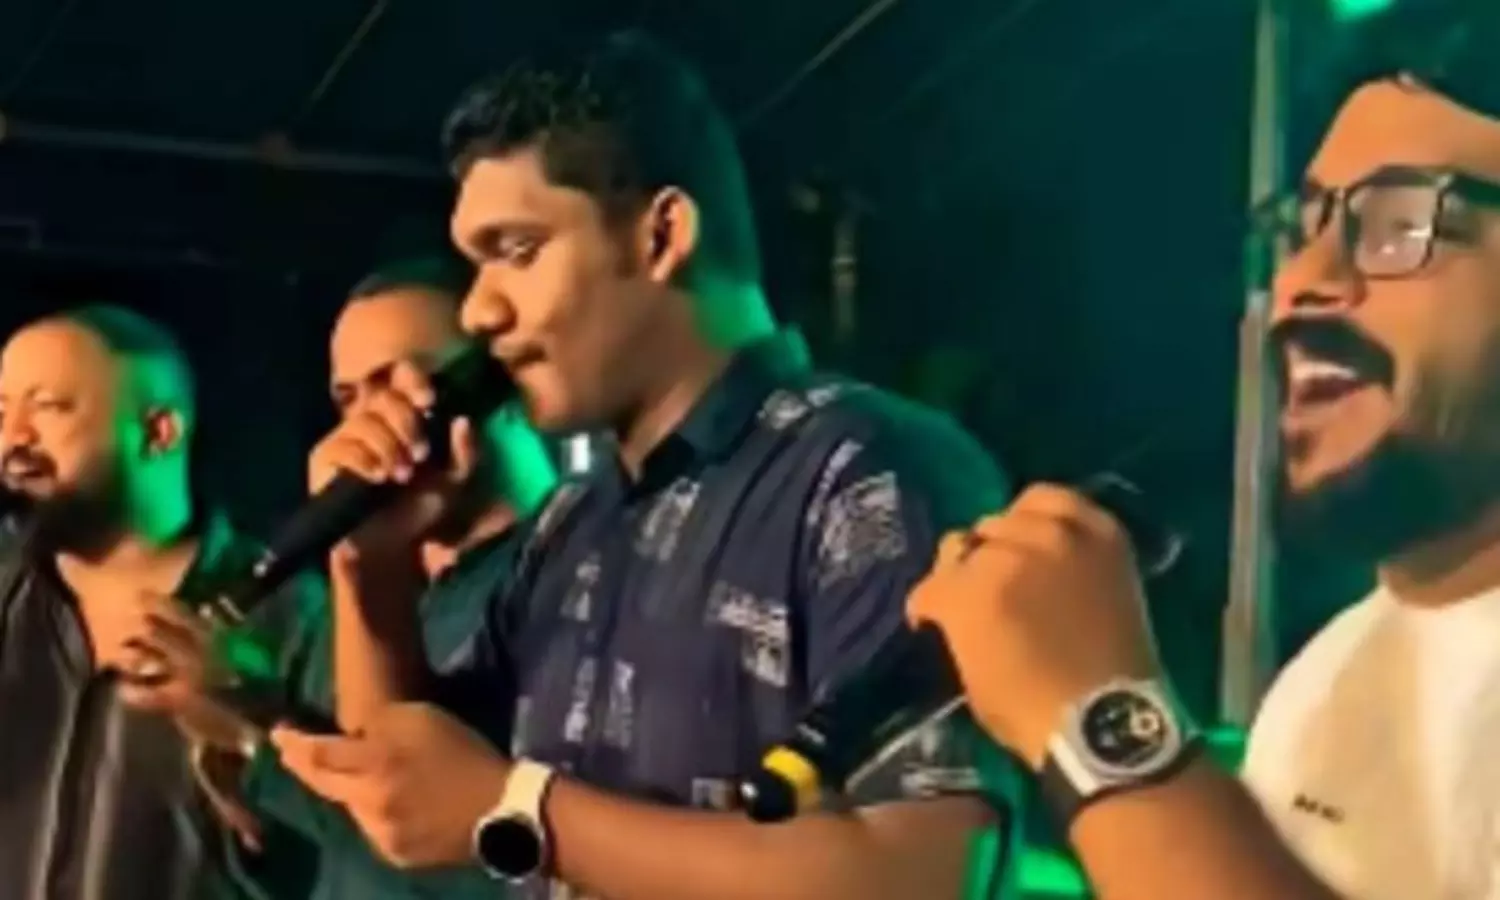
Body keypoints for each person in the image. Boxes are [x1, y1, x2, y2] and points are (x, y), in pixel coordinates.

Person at [272, 30, 1019, 900]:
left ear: (662, 234)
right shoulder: (574, 520)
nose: (477, 311)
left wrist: (525, 810)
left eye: (517, 250)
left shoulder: (872, 469)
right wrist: (372, 569)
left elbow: (929, 871)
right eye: (476, 265)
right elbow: (409, 791)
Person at [907, 8, 1500, 900]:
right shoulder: (1334, 672)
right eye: (1304, 226)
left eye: (1399, 222)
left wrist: (1103, 718)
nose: (1301, 281)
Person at [162, 260, 559, 900]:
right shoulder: (354, 595)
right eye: (348, 398)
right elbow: (321, 863)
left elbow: (454, 855)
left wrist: (257, 736)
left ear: (493, 382)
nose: (369, 420)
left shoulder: (574, 578)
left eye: (398, 382)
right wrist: (239, 781)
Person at [0, 305, 315, 900]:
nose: (13, 438)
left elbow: (350, 858)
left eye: (50, 407)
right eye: (1, 412)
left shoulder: (295, 616)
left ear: (159, 432)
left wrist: (251, 739)